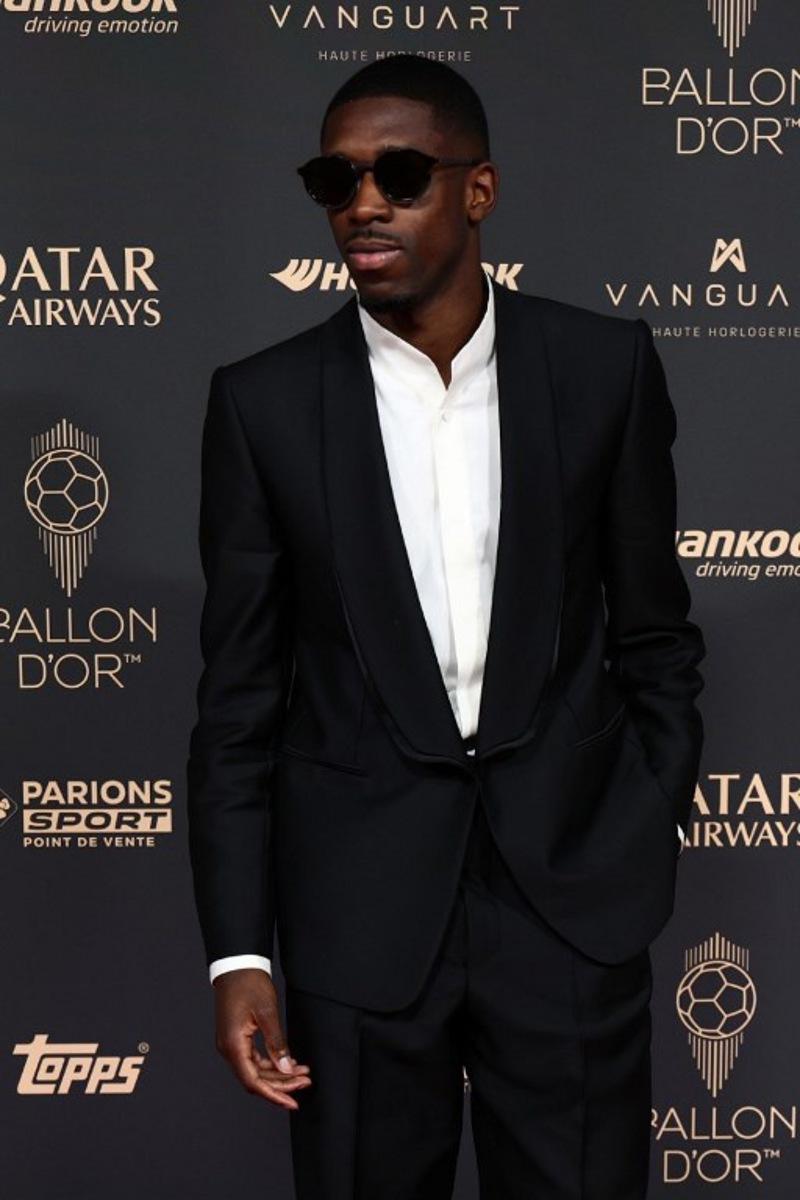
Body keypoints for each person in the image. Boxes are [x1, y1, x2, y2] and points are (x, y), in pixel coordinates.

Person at [186, 55, 705, 1200]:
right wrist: (240, 951)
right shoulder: (263, 404)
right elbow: (237, 707)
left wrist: (633, 825)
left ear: (478, 190)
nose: (362, 205)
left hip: (567, 903)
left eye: (400, 175)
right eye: (335, 180)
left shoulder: (601, 368)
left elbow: (655, 639)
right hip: (356, 922)